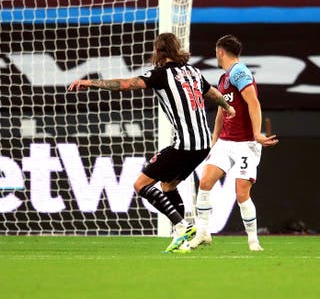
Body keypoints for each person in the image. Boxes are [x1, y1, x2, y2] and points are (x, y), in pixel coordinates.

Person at [68, 32, 235, 253]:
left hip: (185, 144)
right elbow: (212, 92)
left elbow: (126, 84)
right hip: (203, 144)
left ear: (158, 52)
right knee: (168, 185)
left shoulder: (160, 74)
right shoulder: (193, 72)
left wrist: (91, 82)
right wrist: (228, 107)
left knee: (141, 184)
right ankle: (181, 239)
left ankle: (182, 225)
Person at [190, 35, 278, 251]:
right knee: (205, 183)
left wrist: (257, 133)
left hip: (245, 144)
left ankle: (253, 240)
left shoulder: (240, 72)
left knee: (241, 193)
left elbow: (253, 102)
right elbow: (222, 110)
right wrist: (214, 140)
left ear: (220, 51)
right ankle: (203, 233)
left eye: (216, 51)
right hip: (225, 143)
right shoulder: (224, 78)